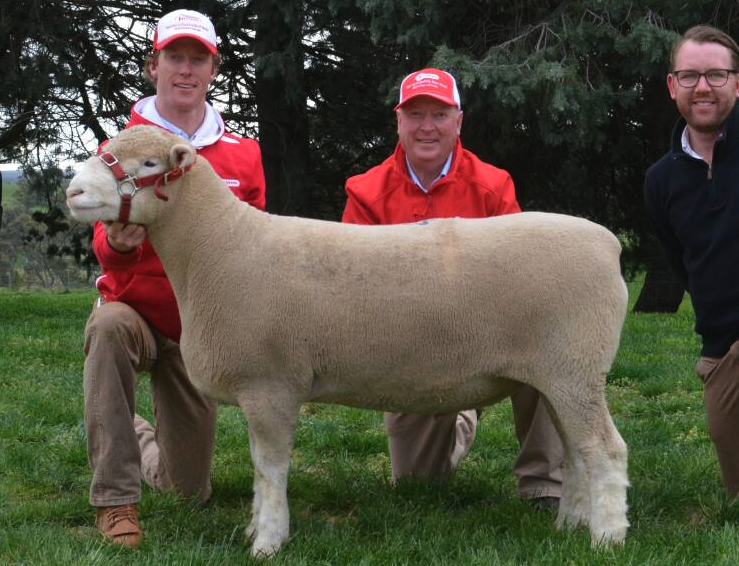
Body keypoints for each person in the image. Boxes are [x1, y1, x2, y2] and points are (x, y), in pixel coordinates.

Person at [83, 9, 266, 547]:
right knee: (109, 328)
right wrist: (116, 242)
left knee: (189, 492)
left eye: (197, 60)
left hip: (198, 329)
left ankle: (129, 431)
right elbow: (103, 240)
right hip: (135, 310)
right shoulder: (121, 145)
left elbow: (255, 242)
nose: (185, 70)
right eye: (174, 58)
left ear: (213, 69)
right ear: (153, 66)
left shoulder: (244, 152)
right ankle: (115, 500)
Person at [342, 68, 563, 508]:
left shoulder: (494, 186)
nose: (427, 126)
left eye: (439, 114)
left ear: (458, 121)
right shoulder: (364, 191)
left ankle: (545, 484)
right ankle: (461, 416)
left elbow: (518, 275)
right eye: (416, 114)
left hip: (490, 334)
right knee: (417, 488)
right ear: (398, 121)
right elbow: (355, 286)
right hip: (410, 345)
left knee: (546, 344)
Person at [644, 25, 739, 496]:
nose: (703, 87)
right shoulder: (660, 181)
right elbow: (682, 264)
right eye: (690, 75)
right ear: (672, 86)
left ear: (737, 84)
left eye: (717, 75)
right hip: (722, 351)